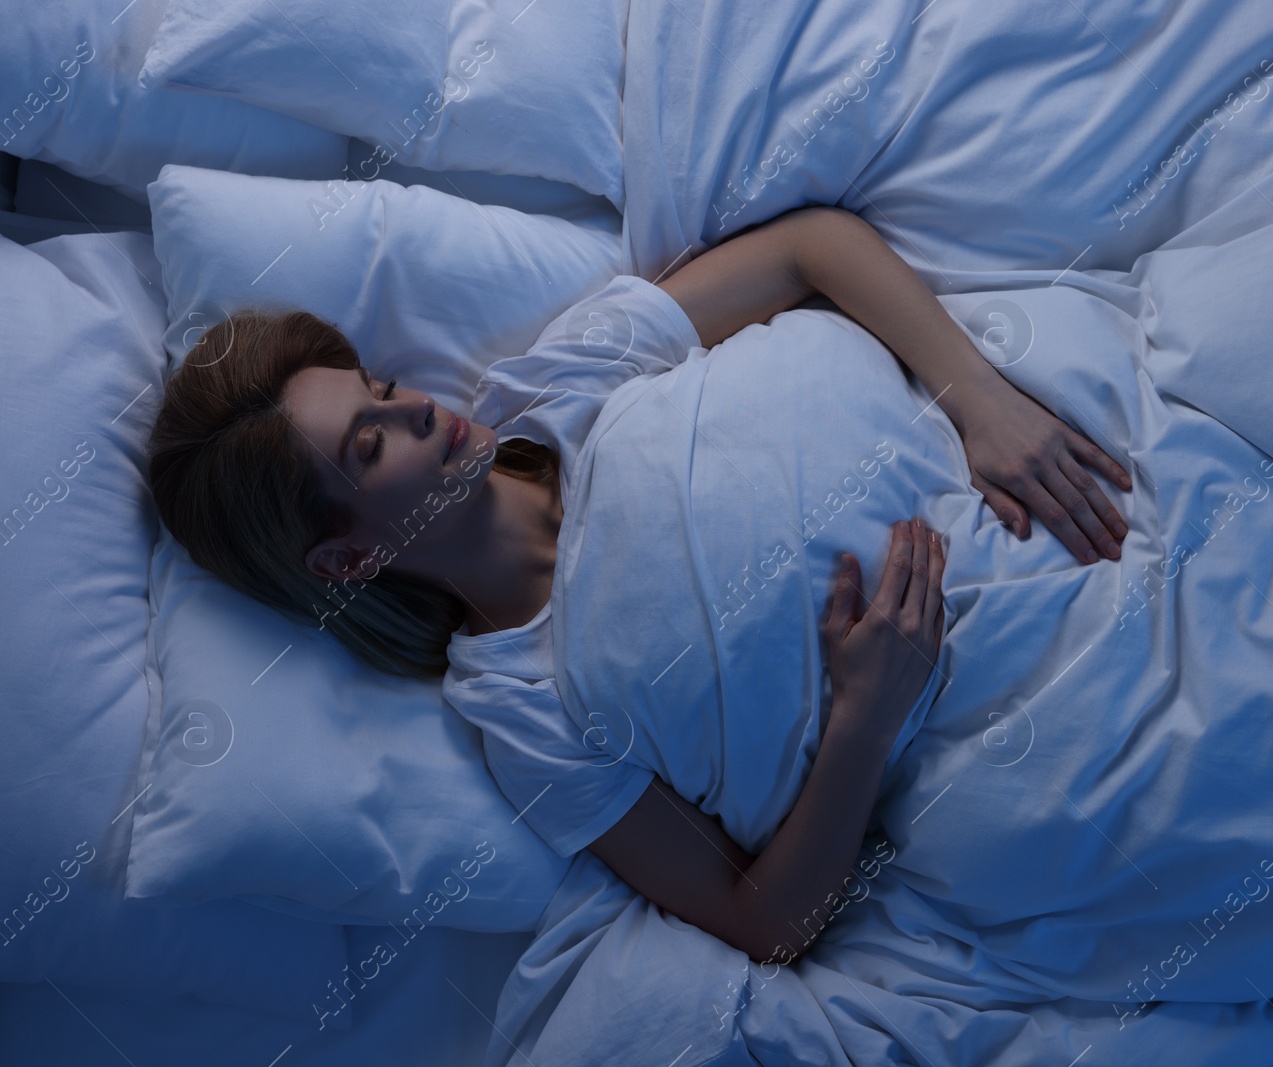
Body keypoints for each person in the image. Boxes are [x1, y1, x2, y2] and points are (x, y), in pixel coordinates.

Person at [147, 205, 1131, 964]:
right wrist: (865, 719)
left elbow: (813, 248)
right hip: (1038, 704)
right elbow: (766, 920)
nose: (416, 410)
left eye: (380, 388)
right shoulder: (523, 707)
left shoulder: (561, 382)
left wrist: (979, 398)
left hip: (1067, 478)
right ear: (348, 558)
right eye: (370, 444)